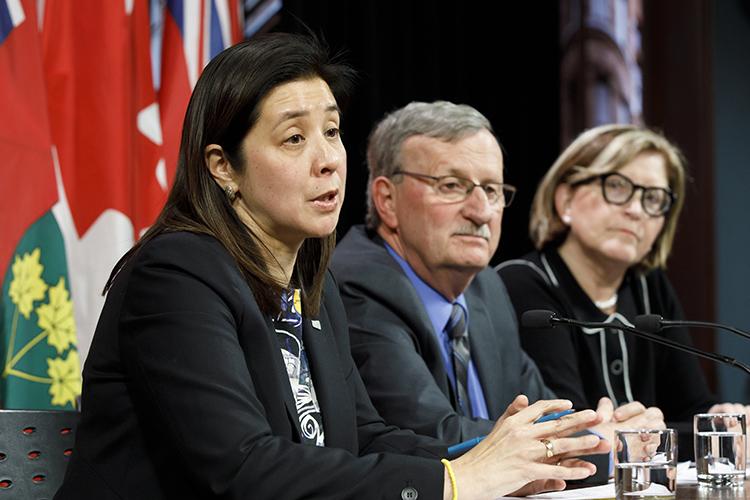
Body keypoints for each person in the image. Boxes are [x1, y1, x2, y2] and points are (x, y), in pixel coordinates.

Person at [54, 34, 608, 500]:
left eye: (333, 131)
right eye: (295, 138)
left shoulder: (306, 282)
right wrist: (454, 482)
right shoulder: (176, 274)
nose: (327, 159)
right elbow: (241, 468)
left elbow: (361, 436)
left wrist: (501, 459)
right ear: (223, 166)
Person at [330, 101, 657, 484]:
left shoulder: (487, 287)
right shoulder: (357, 283)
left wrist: (603, 428)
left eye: (492, 189)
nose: (481, 211)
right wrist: (596, 444)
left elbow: (543, 411)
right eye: (452, 186)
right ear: (387, 200)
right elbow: (430, 434)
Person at [497, 124, 748, 458]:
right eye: (616, 186)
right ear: (565, 199)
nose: (635, 209)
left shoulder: (651, 287)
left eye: (654, 198)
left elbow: (692, 408)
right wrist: (653, 437)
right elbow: (566, 429)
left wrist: (720, 425)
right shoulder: (524, 284)